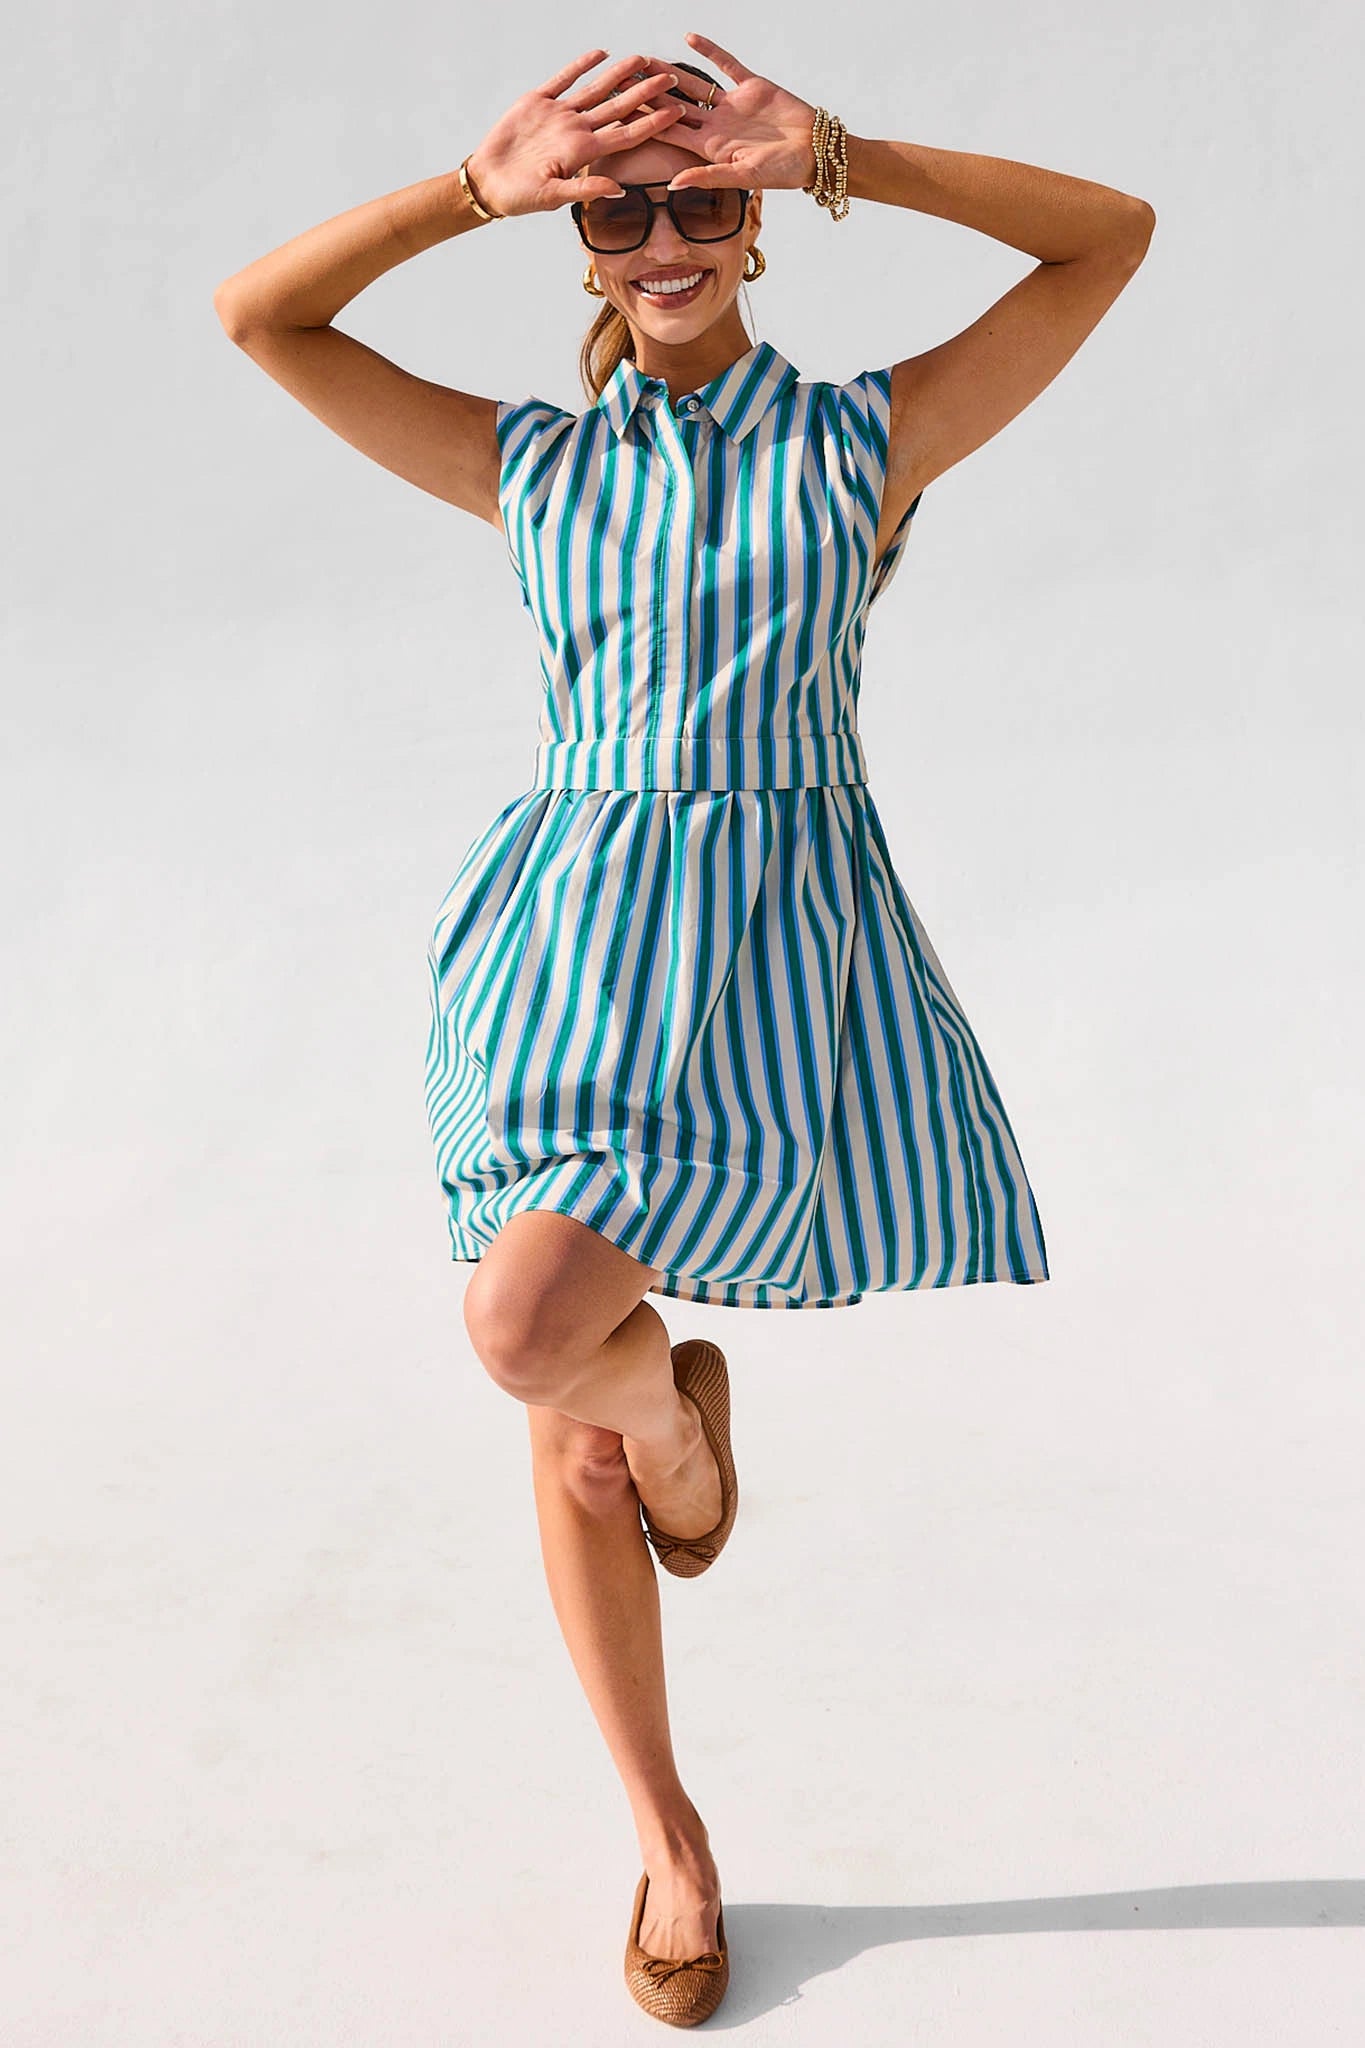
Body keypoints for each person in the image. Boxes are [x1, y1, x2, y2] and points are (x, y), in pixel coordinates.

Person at [214, 35, 1153, 2025]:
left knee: (536, 1345)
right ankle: (668, 1826)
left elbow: (1106, 245)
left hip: (768, 960)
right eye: (618, 210)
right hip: (565, 950)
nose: (662, 238)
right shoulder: (528, 464)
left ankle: (666, 1431)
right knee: (549, 1388)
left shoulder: (862, 440)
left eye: (701, 201)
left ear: (750, 223)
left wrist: (844, 156)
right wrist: (471, 184)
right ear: (577, 243)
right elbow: (257, 315)